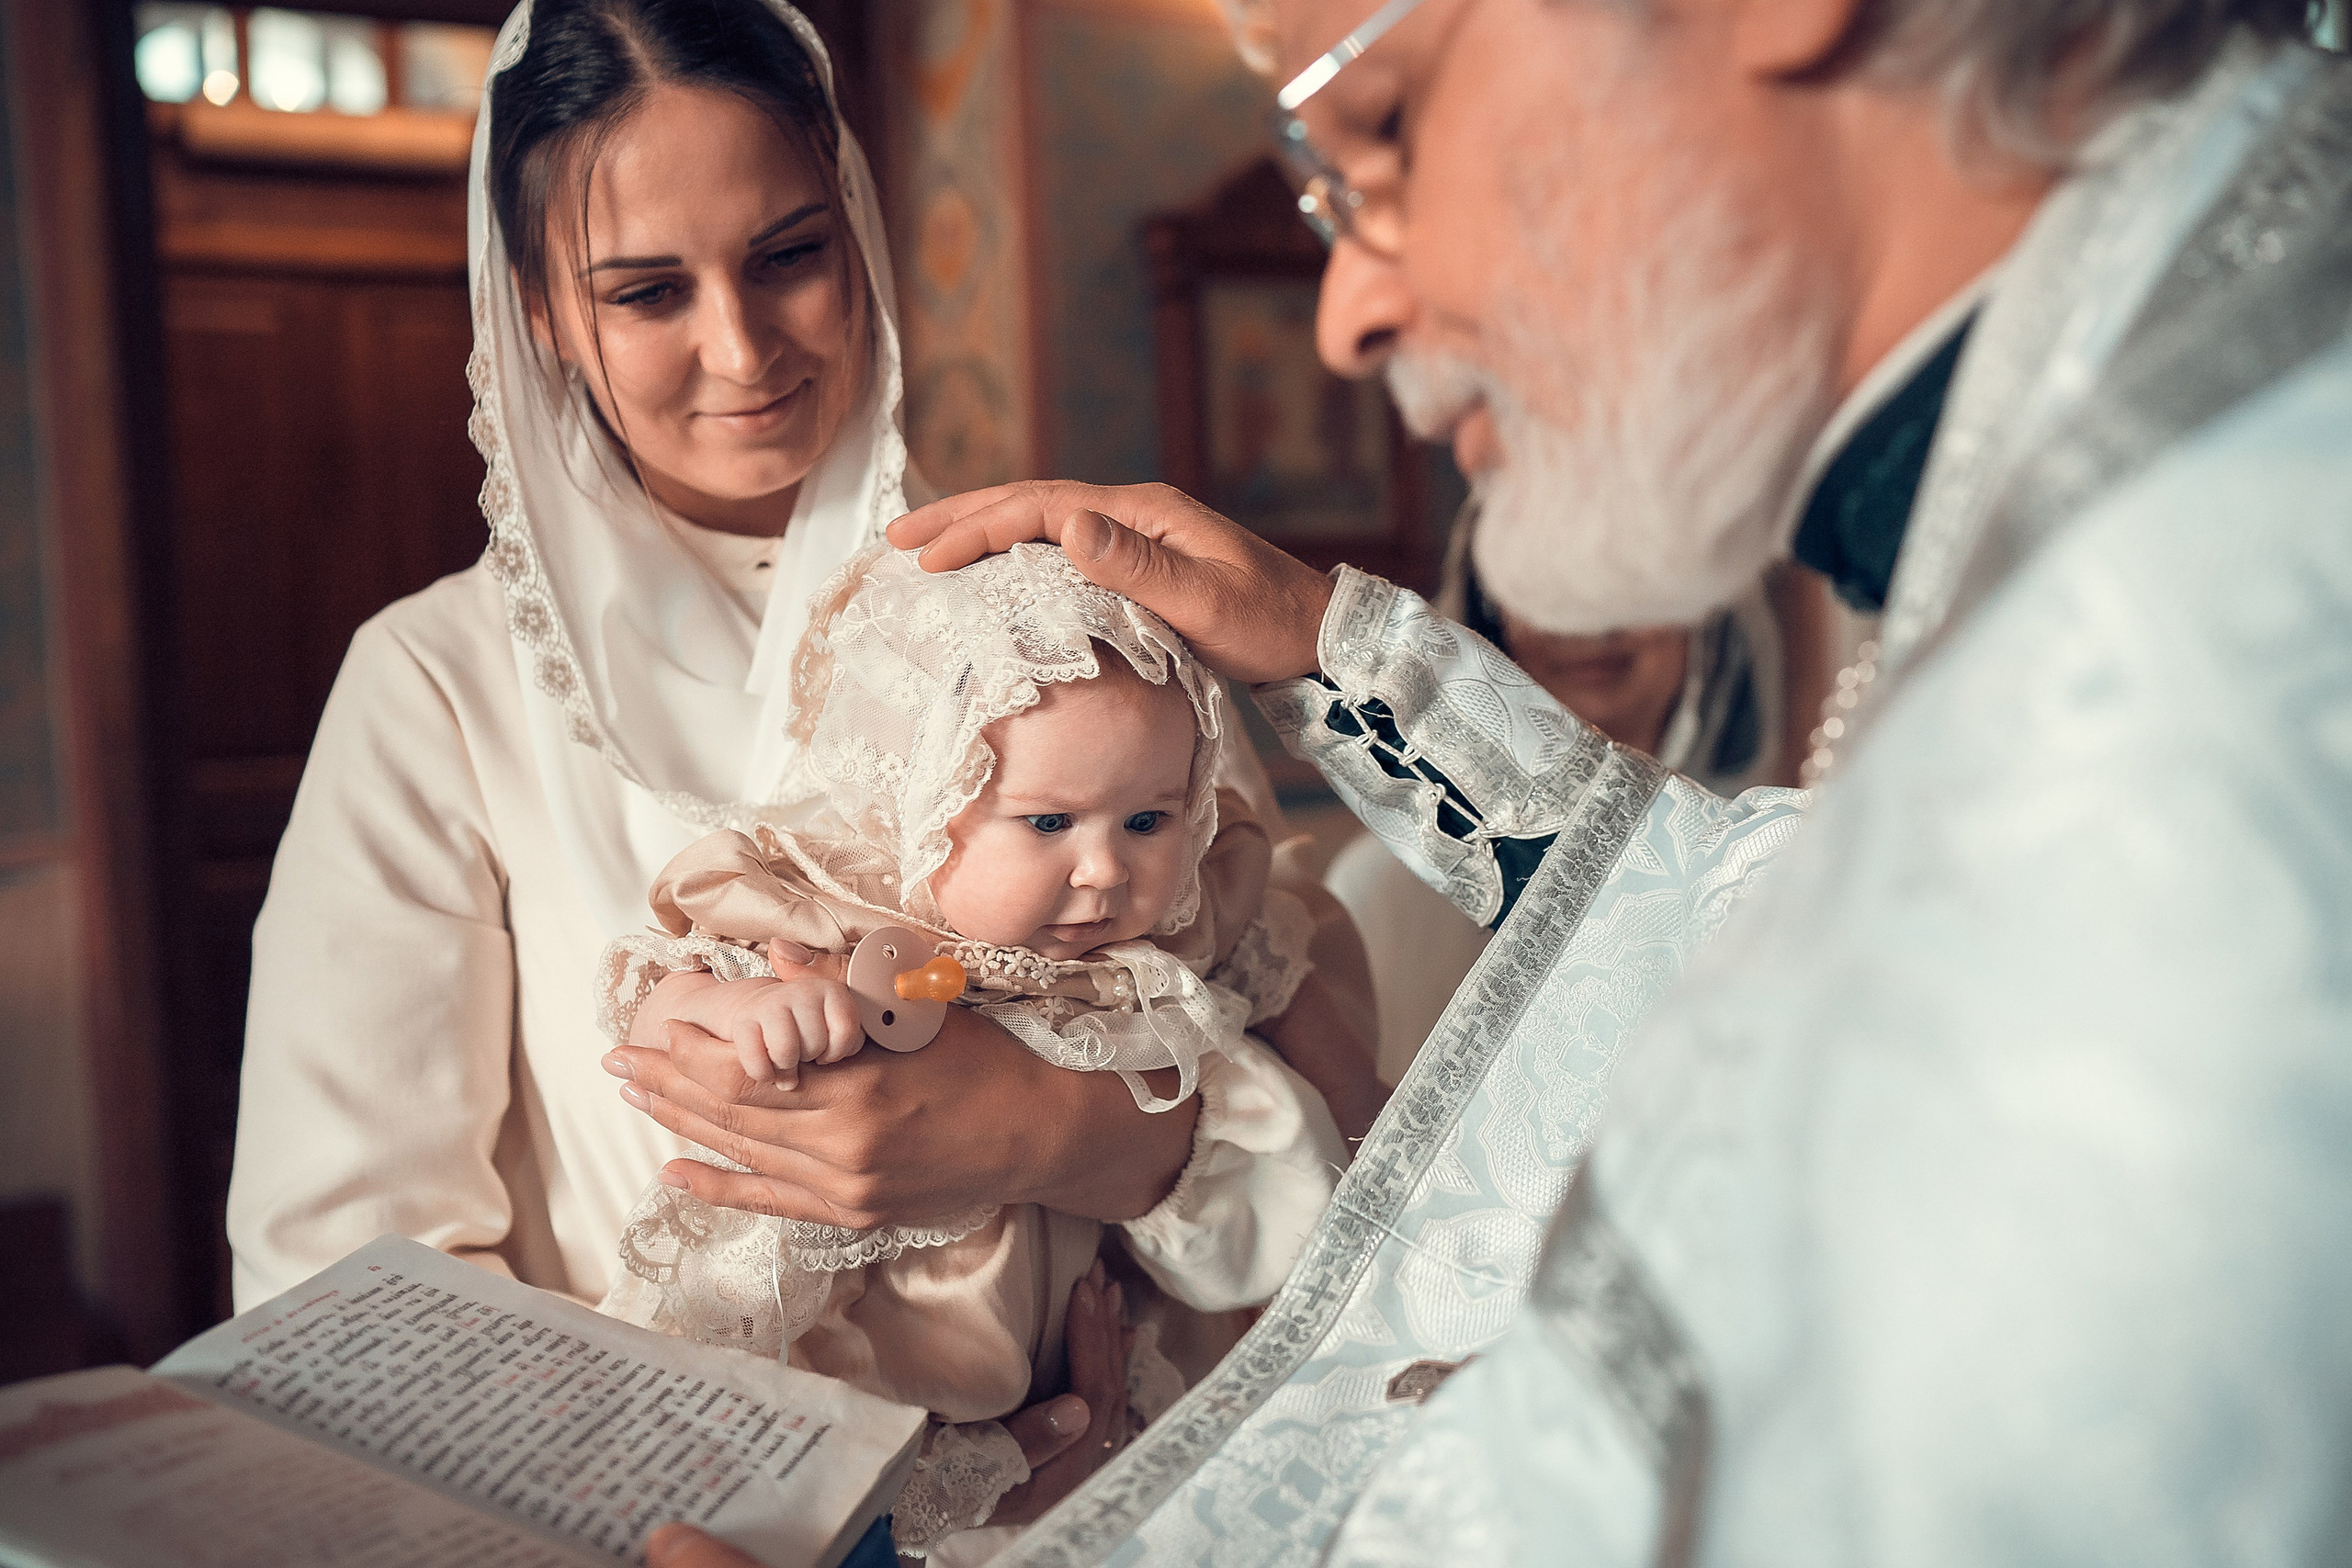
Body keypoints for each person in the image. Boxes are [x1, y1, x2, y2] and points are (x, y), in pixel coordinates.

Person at [878, 0, 2352, 1561]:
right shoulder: (2158, 439)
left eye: (1378, 129)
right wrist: (1330, 647)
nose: (1349, 313)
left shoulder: (2196, 672)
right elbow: (1728, 896)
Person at [226, 5, 1357, 1521]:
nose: (740, 348)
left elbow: (1299, 1074)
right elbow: (347, 1279)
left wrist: (1053, 1132)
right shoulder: (438, 684)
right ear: (544, 313)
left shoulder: (1054, 620)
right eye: (645, 291)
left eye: (787, 255)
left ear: (861, 233)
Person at [595, 542, 1355, 1555]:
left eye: (1146, 819)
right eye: (1047, 820)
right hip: (850, 1382)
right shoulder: (831, 910)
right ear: (918, 801)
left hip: (1094, 1385)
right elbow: (653, 1001)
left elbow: (1332, 1109)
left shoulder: (1169, 935)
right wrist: (743, 1020)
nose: (1101, 870)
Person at [1323, 504, 1813, 1080]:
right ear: (1492, 617)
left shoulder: (1783, 864)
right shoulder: (1378, 891)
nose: (1590, 626)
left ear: (1700, 613)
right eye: (1548, 587)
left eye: (1630, 581)